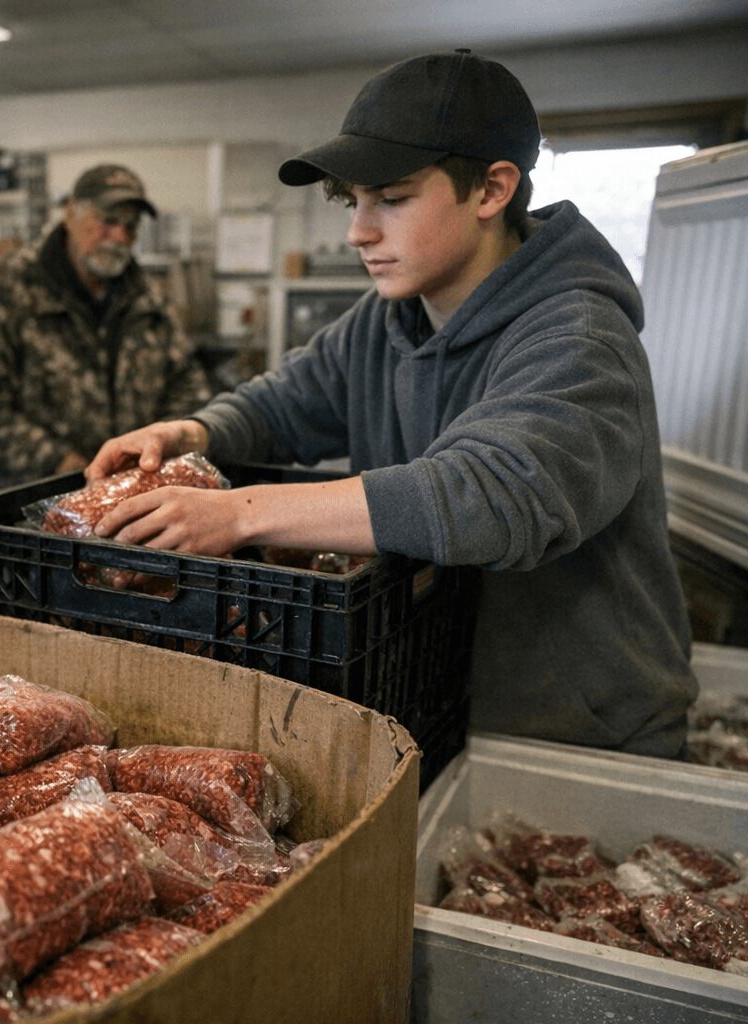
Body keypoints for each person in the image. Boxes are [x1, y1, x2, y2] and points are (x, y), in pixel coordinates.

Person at [84, 50, 697, 758]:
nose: (358, 232)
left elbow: (491, 493)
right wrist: (195, 430)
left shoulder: (579, 336)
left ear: (492, 190)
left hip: (579, 734)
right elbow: (286, 404)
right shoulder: (387, 321)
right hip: (434, 705)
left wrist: (238, 513)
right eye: (353, 201)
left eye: (393, 198)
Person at [0, 164, 211, 493]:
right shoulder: (6, 288)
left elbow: (188, 387)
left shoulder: (149, 300)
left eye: (131, 227)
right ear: (70, 213)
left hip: (132, 500)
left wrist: (159, 451)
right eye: (108, 221)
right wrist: (59, 462)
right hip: (30, 508)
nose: (120, 238)